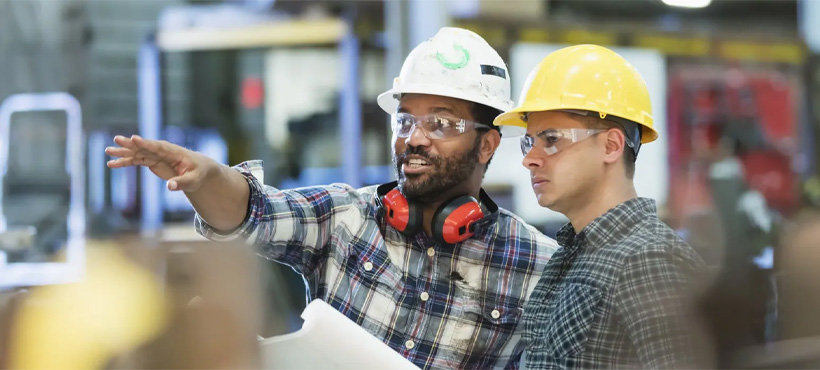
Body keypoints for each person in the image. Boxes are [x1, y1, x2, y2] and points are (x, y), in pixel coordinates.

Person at [106, 27, 557, 369]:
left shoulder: (537, 265)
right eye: (405, 121)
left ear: (487, 145)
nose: (414, 139)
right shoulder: (346, 216)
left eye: (441, 124)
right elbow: (254, 212)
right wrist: (204, 177)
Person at [493, 44, 709, 369]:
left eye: (551, 140)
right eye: (529, 141)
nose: (529, 159)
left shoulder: (649, 260)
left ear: (611, 146)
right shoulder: (571, 257)